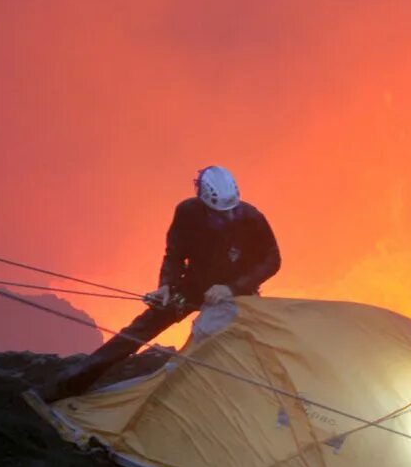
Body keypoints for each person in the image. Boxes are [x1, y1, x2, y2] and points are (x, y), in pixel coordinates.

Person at [31, 165, 281, 404]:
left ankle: (265, 401)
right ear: (204, 204)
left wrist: (233, 288)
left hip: (235, 294)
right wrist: (166, 286)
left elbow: (272, 260)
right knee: (134, 334)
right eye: (220, 213)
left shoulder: (251, 218)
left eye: (231, 210)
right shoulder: (187, 213)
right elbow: (174, 254)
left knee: (248, 349)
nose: (228, 216)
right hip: (192, 286)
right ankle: (62, 389)